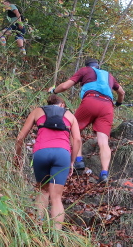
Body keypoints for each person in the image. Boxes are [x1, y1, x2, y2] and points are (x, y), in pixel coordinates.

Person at [48, 58, 125, 184]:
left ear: (87, 65)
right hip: (107, 106)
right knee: (103, 141)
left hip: (91, 100)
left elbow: (66, 86)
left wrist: (53, 91)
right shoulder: (109, 75)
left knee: (73, 129)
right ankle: (104, 173)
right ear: (98, 66)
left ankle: (78, 160)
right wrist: (118, 103)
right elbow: (121, 92)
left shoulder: (85, 70)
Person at [14, 94, 82, 229]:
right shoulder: (70, 115)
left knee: (43, 191)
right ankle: (56, 235)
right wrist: (72, 161)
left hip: (41, 153)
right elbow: (78, 140)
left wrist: (18, 156)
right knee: (56, 197)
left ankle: (38, 228)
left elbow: (20, 138)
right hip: (62, 154)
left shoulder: (37, 111)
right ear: (62, 105)